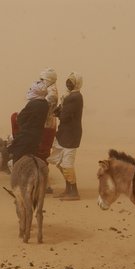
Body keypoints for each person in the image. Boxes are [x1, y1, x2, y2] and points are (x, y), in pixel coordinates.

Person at [47, 72, 84, 200]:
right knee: (61, 163)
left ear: (76, 84)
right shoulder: (69, 96)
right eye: (68, 81)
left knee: (67, 164)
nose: (68, 84)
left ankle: (74, 192)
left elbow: (64, 116)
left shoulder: (74, 97)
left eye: (71, 82)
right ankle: (68, 189)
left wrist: (58, 113)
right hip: (65, 133)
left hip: (70, 135)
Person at [8, 81, 49, 164]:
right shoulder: (45, 104)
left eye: (32, 89)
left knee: (17, 160)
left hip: (26, 136)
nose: (30, 90)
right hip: (37, 137)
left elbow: (20, 119)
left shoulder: (33, 104)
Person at [36, 68, 59, 162]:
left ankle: (42, 172)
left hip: (46, 124)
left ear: (48, 79)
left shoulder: (51, 94)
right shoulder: (49, 90)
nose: (40, 82)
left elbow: (43, 110)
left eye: (42, 80)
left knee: (42, 150)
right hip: (46, 123)